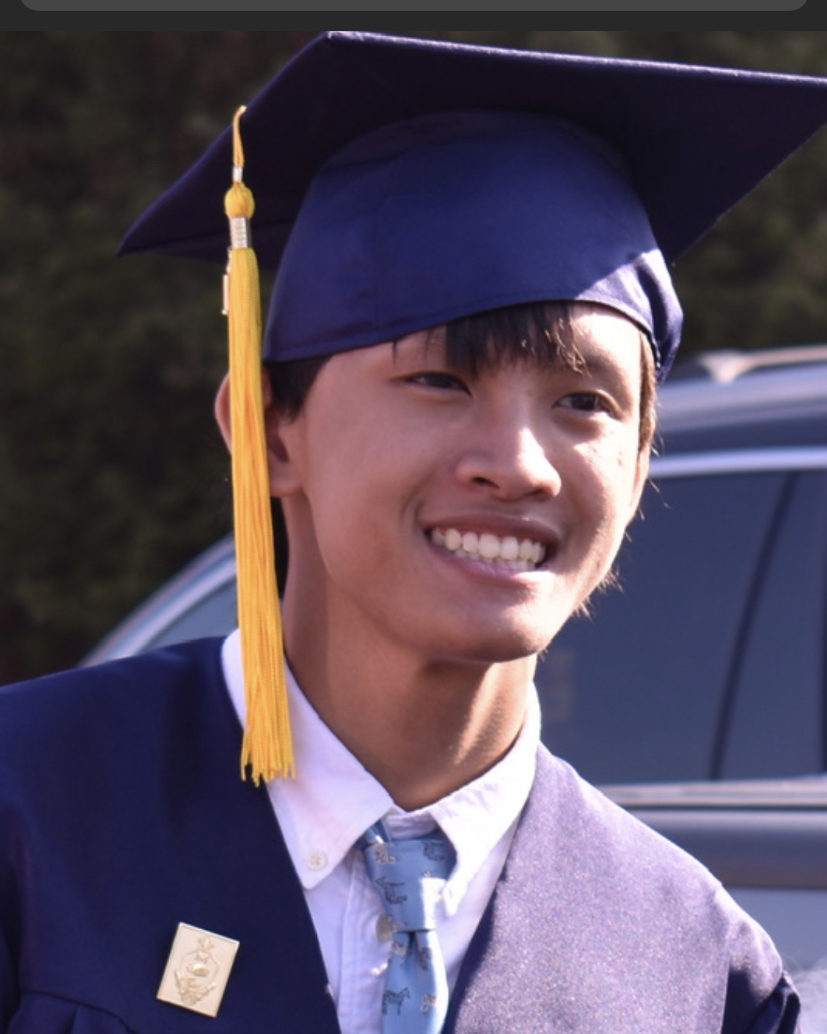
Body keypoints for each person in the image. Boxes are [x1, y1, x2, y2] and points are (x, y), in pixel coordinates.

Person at [2, 31, 826, 1034]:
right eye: (440, 379)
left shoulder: (693, 965)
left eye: (582, 400)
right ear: (265, 433)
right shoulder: (32, 819)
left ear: (641, 457)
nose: (517, 461)